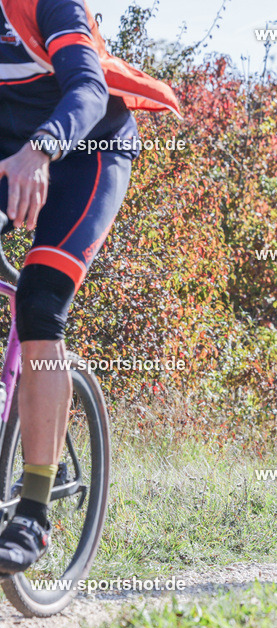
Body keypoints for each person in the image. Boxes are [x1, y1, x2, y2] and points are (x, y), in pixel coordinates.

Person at [0, 0, 180, 572]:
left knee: (40, 303)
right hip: (9, 157)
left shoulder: (47, 3)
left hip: (87, 153)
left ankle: (32, 514)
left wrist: (43, 148)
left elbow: (88, 88)